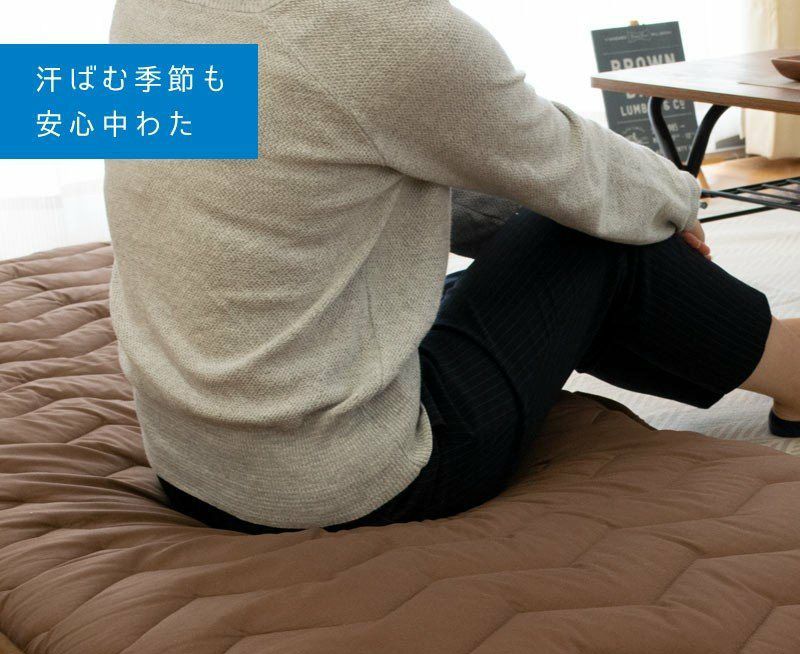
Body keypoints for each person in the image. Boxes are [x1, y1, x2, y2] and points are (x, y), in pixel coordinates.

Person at [105, 0, 796, 536]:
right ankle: (792, 368)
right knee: (596, 234)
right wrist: (676, 201)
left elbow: (384, 166)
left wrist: (624, 211)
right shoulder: (380, 28)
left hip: (191, 461)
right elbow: (574, 171)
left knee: (590, 219)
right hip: (339, 481)